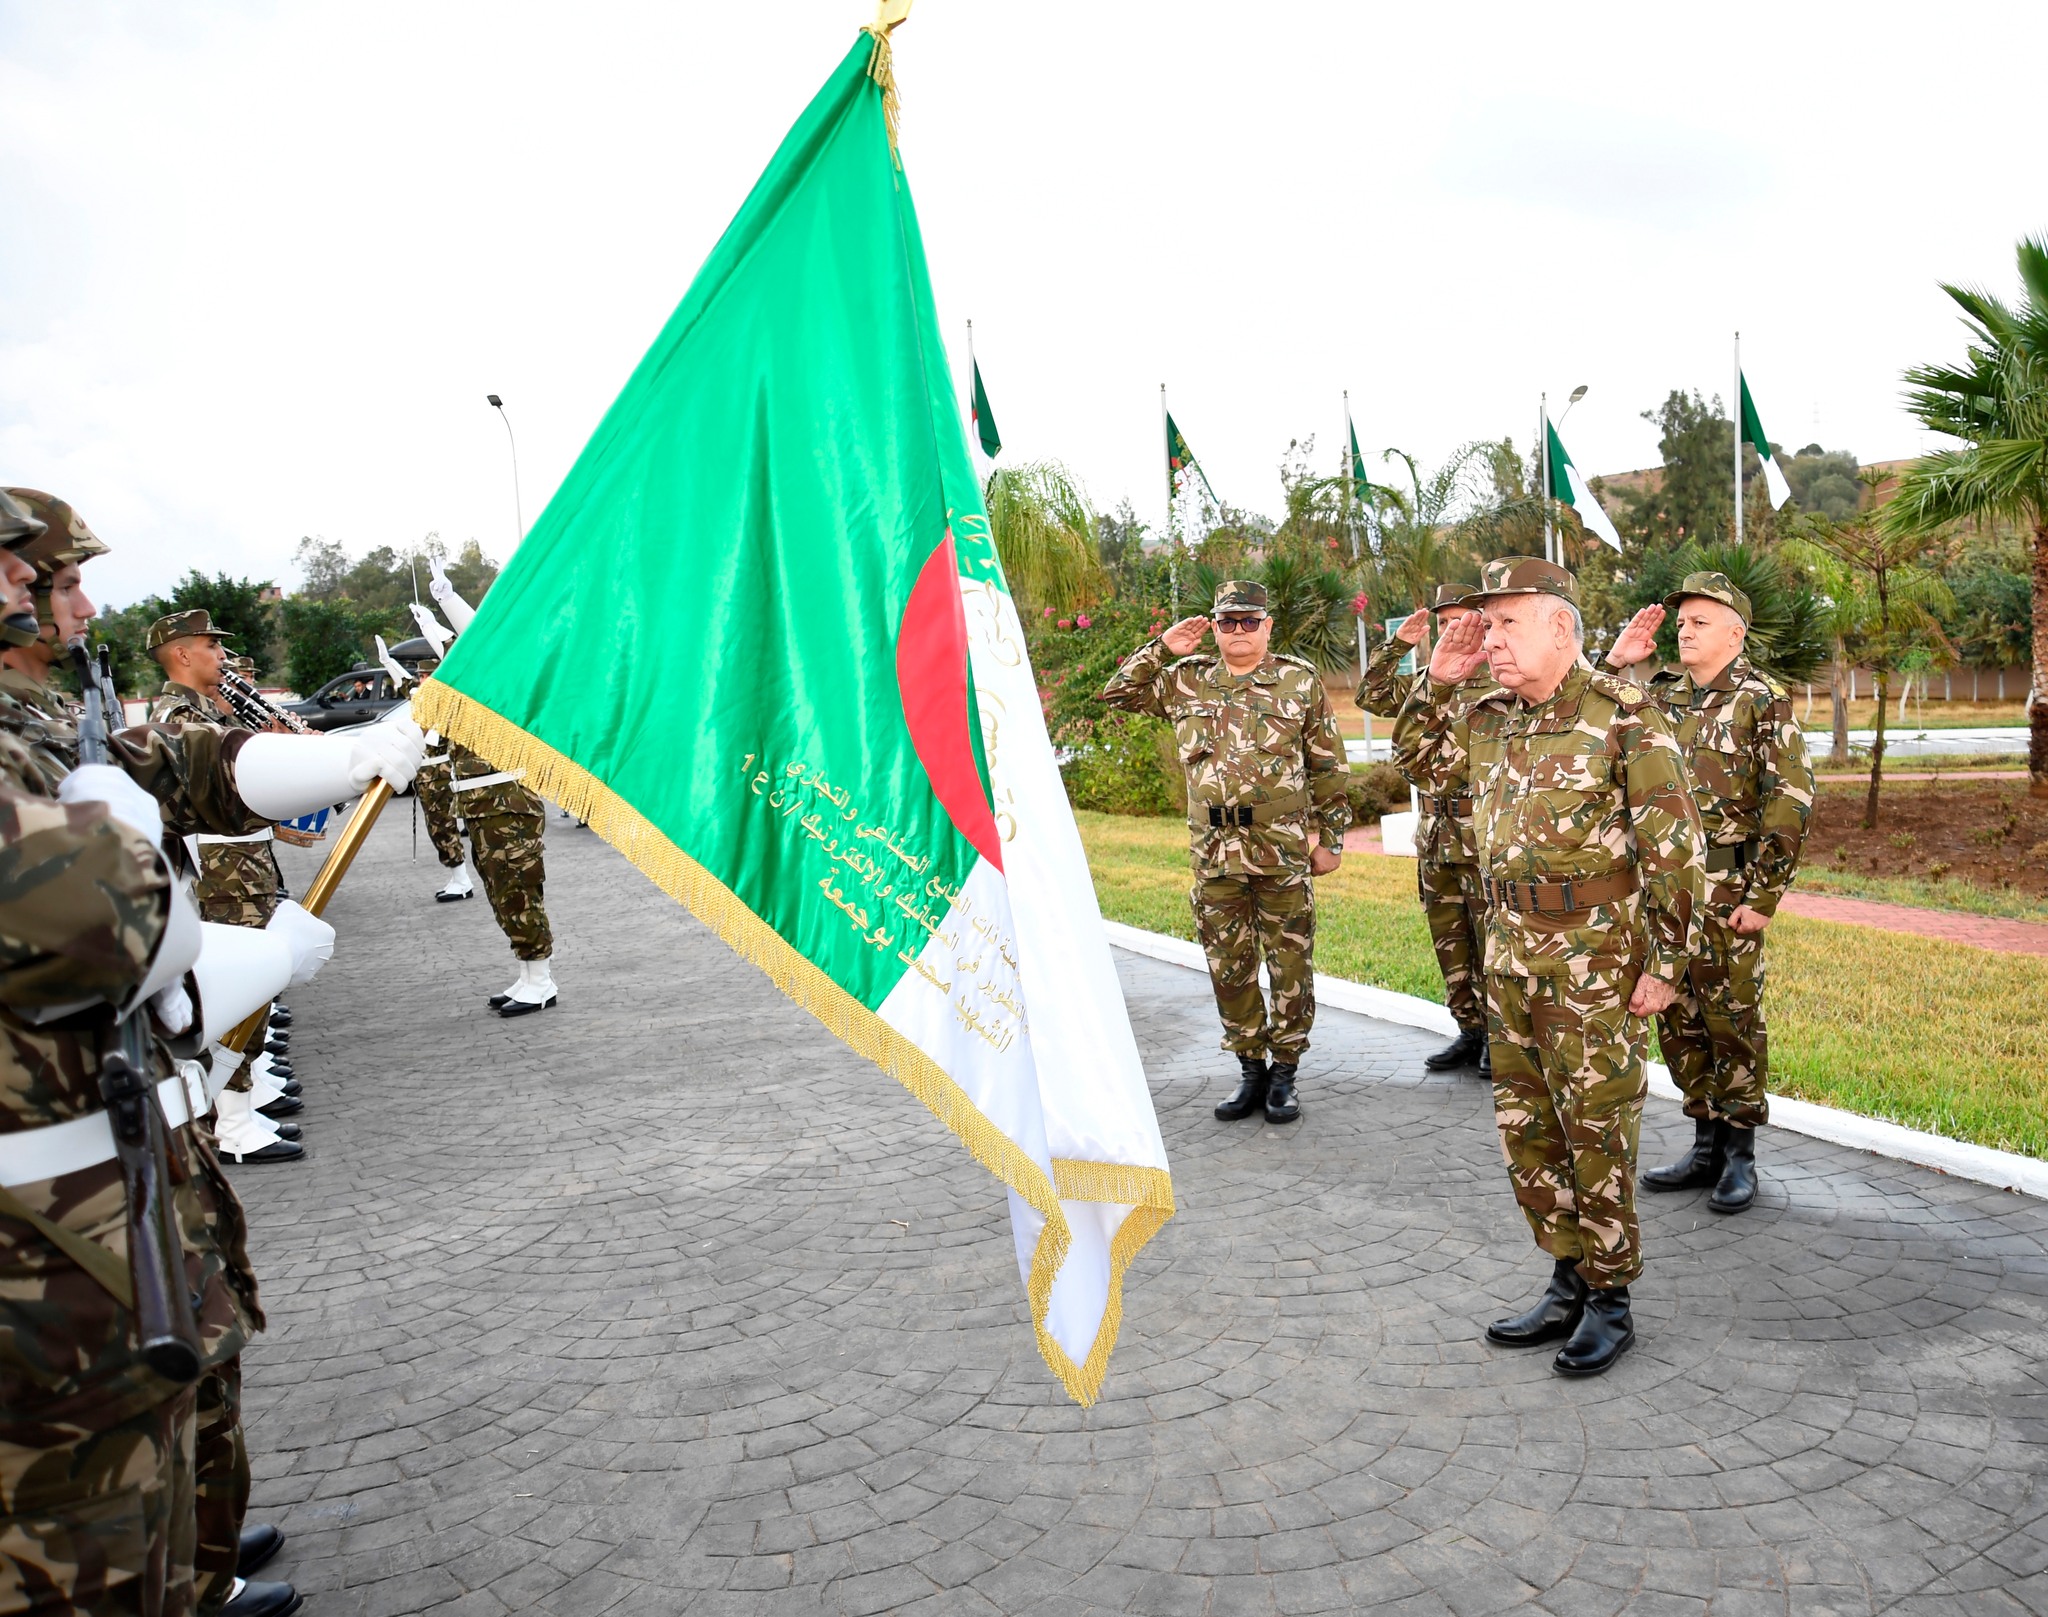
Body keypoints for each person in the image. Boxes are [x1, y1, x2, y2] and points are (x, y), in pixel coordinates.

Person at [1405, 557, 1704, 1376]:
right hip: (1510, 962)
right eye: (1486, 625)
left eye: (1507, 623)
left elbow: (1676, 850)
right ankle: (1567, 1274)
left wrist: (1669, 963)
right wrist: (1438, 679)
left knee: (1597, 1131)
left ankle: (1611, 1297)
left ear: (1562, 629)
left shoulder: (1623, 715)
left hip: (1594, 968)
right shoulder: (1488, 717)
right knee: (1529, 1133)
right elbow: (1418, 765)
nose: (1490, 640)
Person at [1100, 580, 1352, 1124]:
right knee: (1228, 967)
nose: (1238, 630)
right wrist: (1163, 649)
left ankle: (1285, 1072)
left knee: (1289, 964)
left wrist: (1330, 839)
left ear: (1267, 626)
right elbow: (1118, 692)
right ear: (1213, 628)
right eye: (1227, 622)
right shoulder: (1186, 682)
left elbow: (1328, 767)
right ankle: (1250, 1069)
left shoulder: (1298, 681)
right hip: (1213, 852)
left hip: (1280, 849)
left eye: (1249, 621)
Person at [1605, 573, 1813, 1214]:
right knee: (1677, 1016)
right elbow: (1583, 718)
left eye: (1699, 621)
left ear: (1734, 631)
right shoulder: (1658, 694)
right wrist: (1617, 664)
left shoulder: (1761, 700)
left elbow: (1791, 800)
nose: (1684, 631)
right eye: (1682, 621)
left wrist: (1766, 895)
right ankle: (1704, 1142)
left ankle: (1740, 1152)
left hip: (1729, 890)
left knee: (1732, 1021)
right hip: (1666, 893)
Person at [148, 610, 306, 1169]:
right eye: (212, 648)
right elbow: (223, 788)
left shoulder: (202, 709)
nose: (222, 658)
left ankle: (241, 1104)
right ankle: (233, 1123)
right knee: (239, 986)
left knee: (257, 985)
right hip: (222, 865)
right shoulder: (176, 716)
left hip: (238, 860)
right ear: (183, 654)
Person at [1363, 585, 1502, 1077]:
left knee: (1491, 941)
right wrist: (1399, 645)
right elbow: (1371, 695)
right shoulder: (1429, 680)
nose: (1455, 627)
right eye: (1447, 621)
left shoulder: (1503, 682)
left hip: (1482, 836)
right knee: (1450, 943)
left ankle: (1498, 1039)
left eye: (1466, 618)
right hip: (1437, 836)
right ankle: (1469, 1031)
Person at [423, 567, 558, 1016]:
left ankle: (541, 981)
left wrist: (448, 599)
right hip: (483, 808)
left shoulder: (506, 674)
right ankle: (527, 975)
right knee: (502, 893)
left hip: (508, 805)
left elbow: (481, 638)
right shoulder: (473, 686)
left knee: (519, 891)